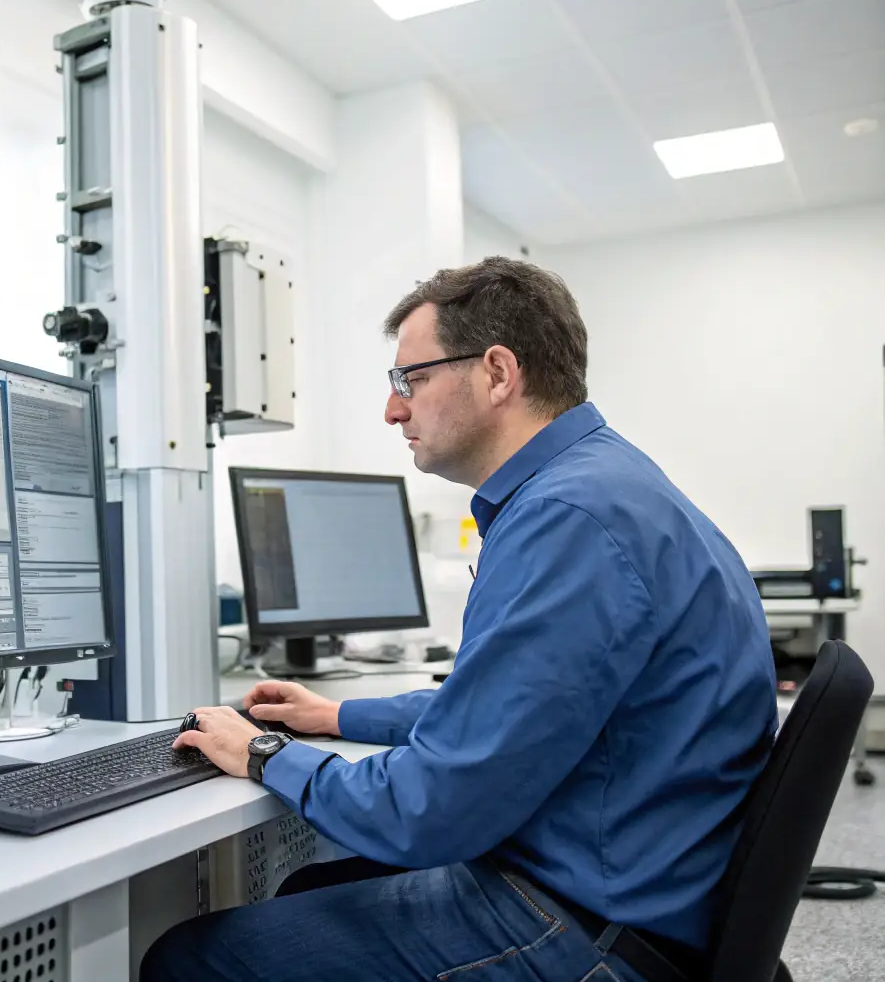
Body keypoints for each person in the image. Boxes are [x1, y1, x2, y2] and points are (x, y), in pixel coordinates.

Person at [140, 257, 777, 982]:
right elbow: (506, 711)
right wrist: (337, 716)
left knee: (190, 959)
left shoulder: (565, 519)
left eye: (409, 379)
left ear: (497, 373)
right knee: (309, 889)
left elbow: (427, 812)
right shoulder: (605, 486)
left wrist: (263, 754)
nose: (392, 409)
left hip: (586, 929)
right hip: (638, 889)